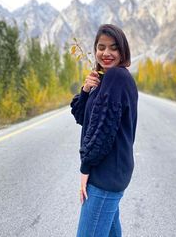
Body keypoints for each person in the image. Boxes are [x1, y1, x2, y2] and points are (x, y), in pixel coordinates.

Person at [70, 24, 138, 237]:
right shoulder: (106, 79)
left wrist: (85, 169)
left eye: (113, 48)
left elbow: (103, 132)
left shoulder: (117, 77)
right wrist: (86, 91)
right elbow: (84, 119)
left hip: (106, 175)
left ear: (123, 51)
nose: (106, 53)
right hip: (111, 171)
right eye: (101, 47)